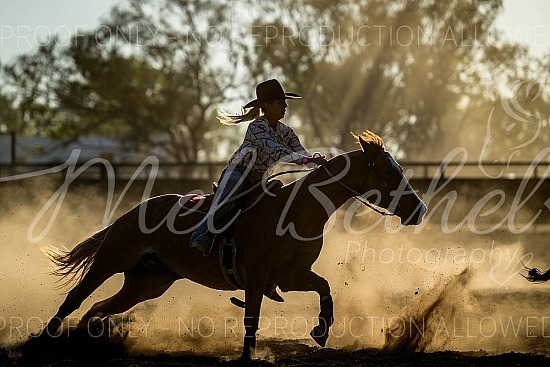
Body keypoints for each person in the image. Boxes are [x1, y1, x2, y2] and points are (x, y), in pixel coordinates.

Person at [189, 79, 327, 256]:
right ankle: (200, 236)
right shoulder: (256, 128)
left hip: (259, 180)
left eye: (284, 102)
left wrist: (316, 161)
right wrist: (308, 162)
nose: (285, 105)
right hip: (238, 173)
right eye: (280, 102)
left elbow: (302, 152)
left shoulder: (287, 132)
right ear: (267, 106)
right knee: (230, 199)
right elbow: (278, 152)